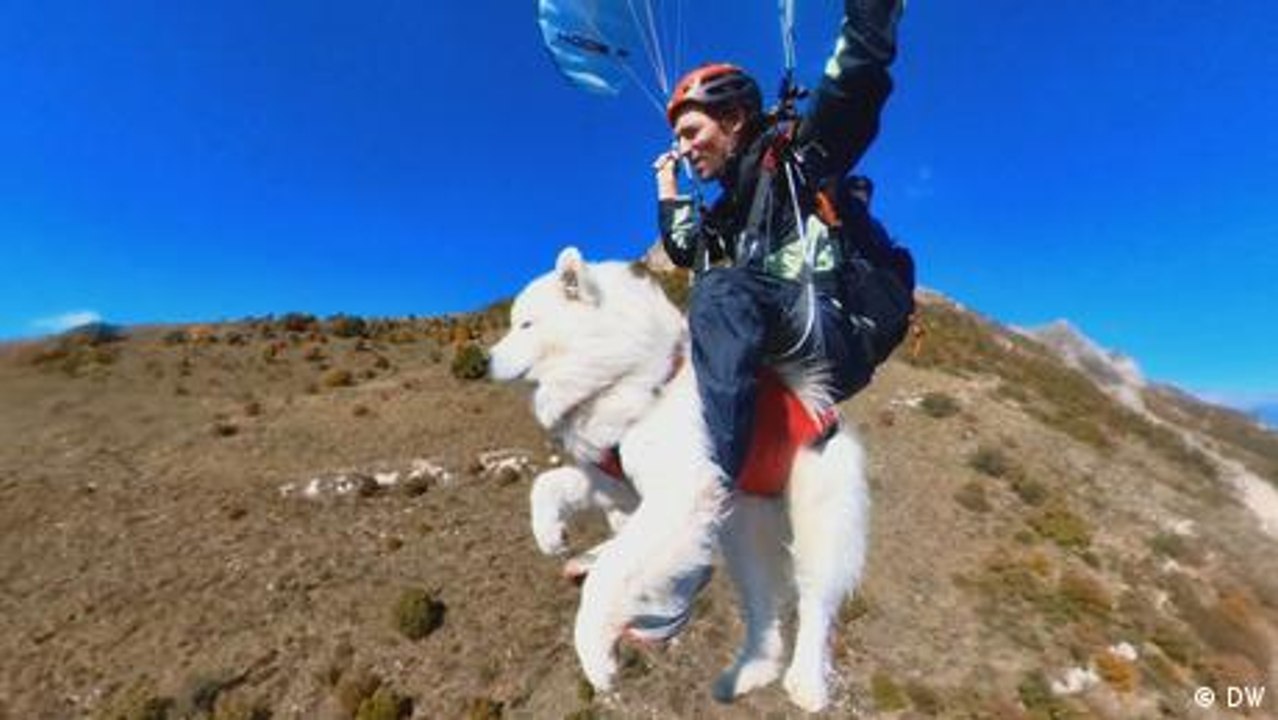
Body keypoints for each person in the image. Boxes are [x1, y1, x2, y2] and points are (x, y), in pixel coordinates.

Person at [654, 0, 910, 491]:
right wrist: (667, 187)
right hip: (788, 336)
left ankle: (705, 491)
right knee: (682, 332)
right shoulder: (733, 206)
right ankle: (778, 452)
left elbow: (855, 81)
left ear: (731, 119)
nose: (683, 149)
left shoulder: (799, 154)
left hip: (836, 328)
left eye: (691, 132)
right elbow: (686, 248)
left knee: (720, 292)